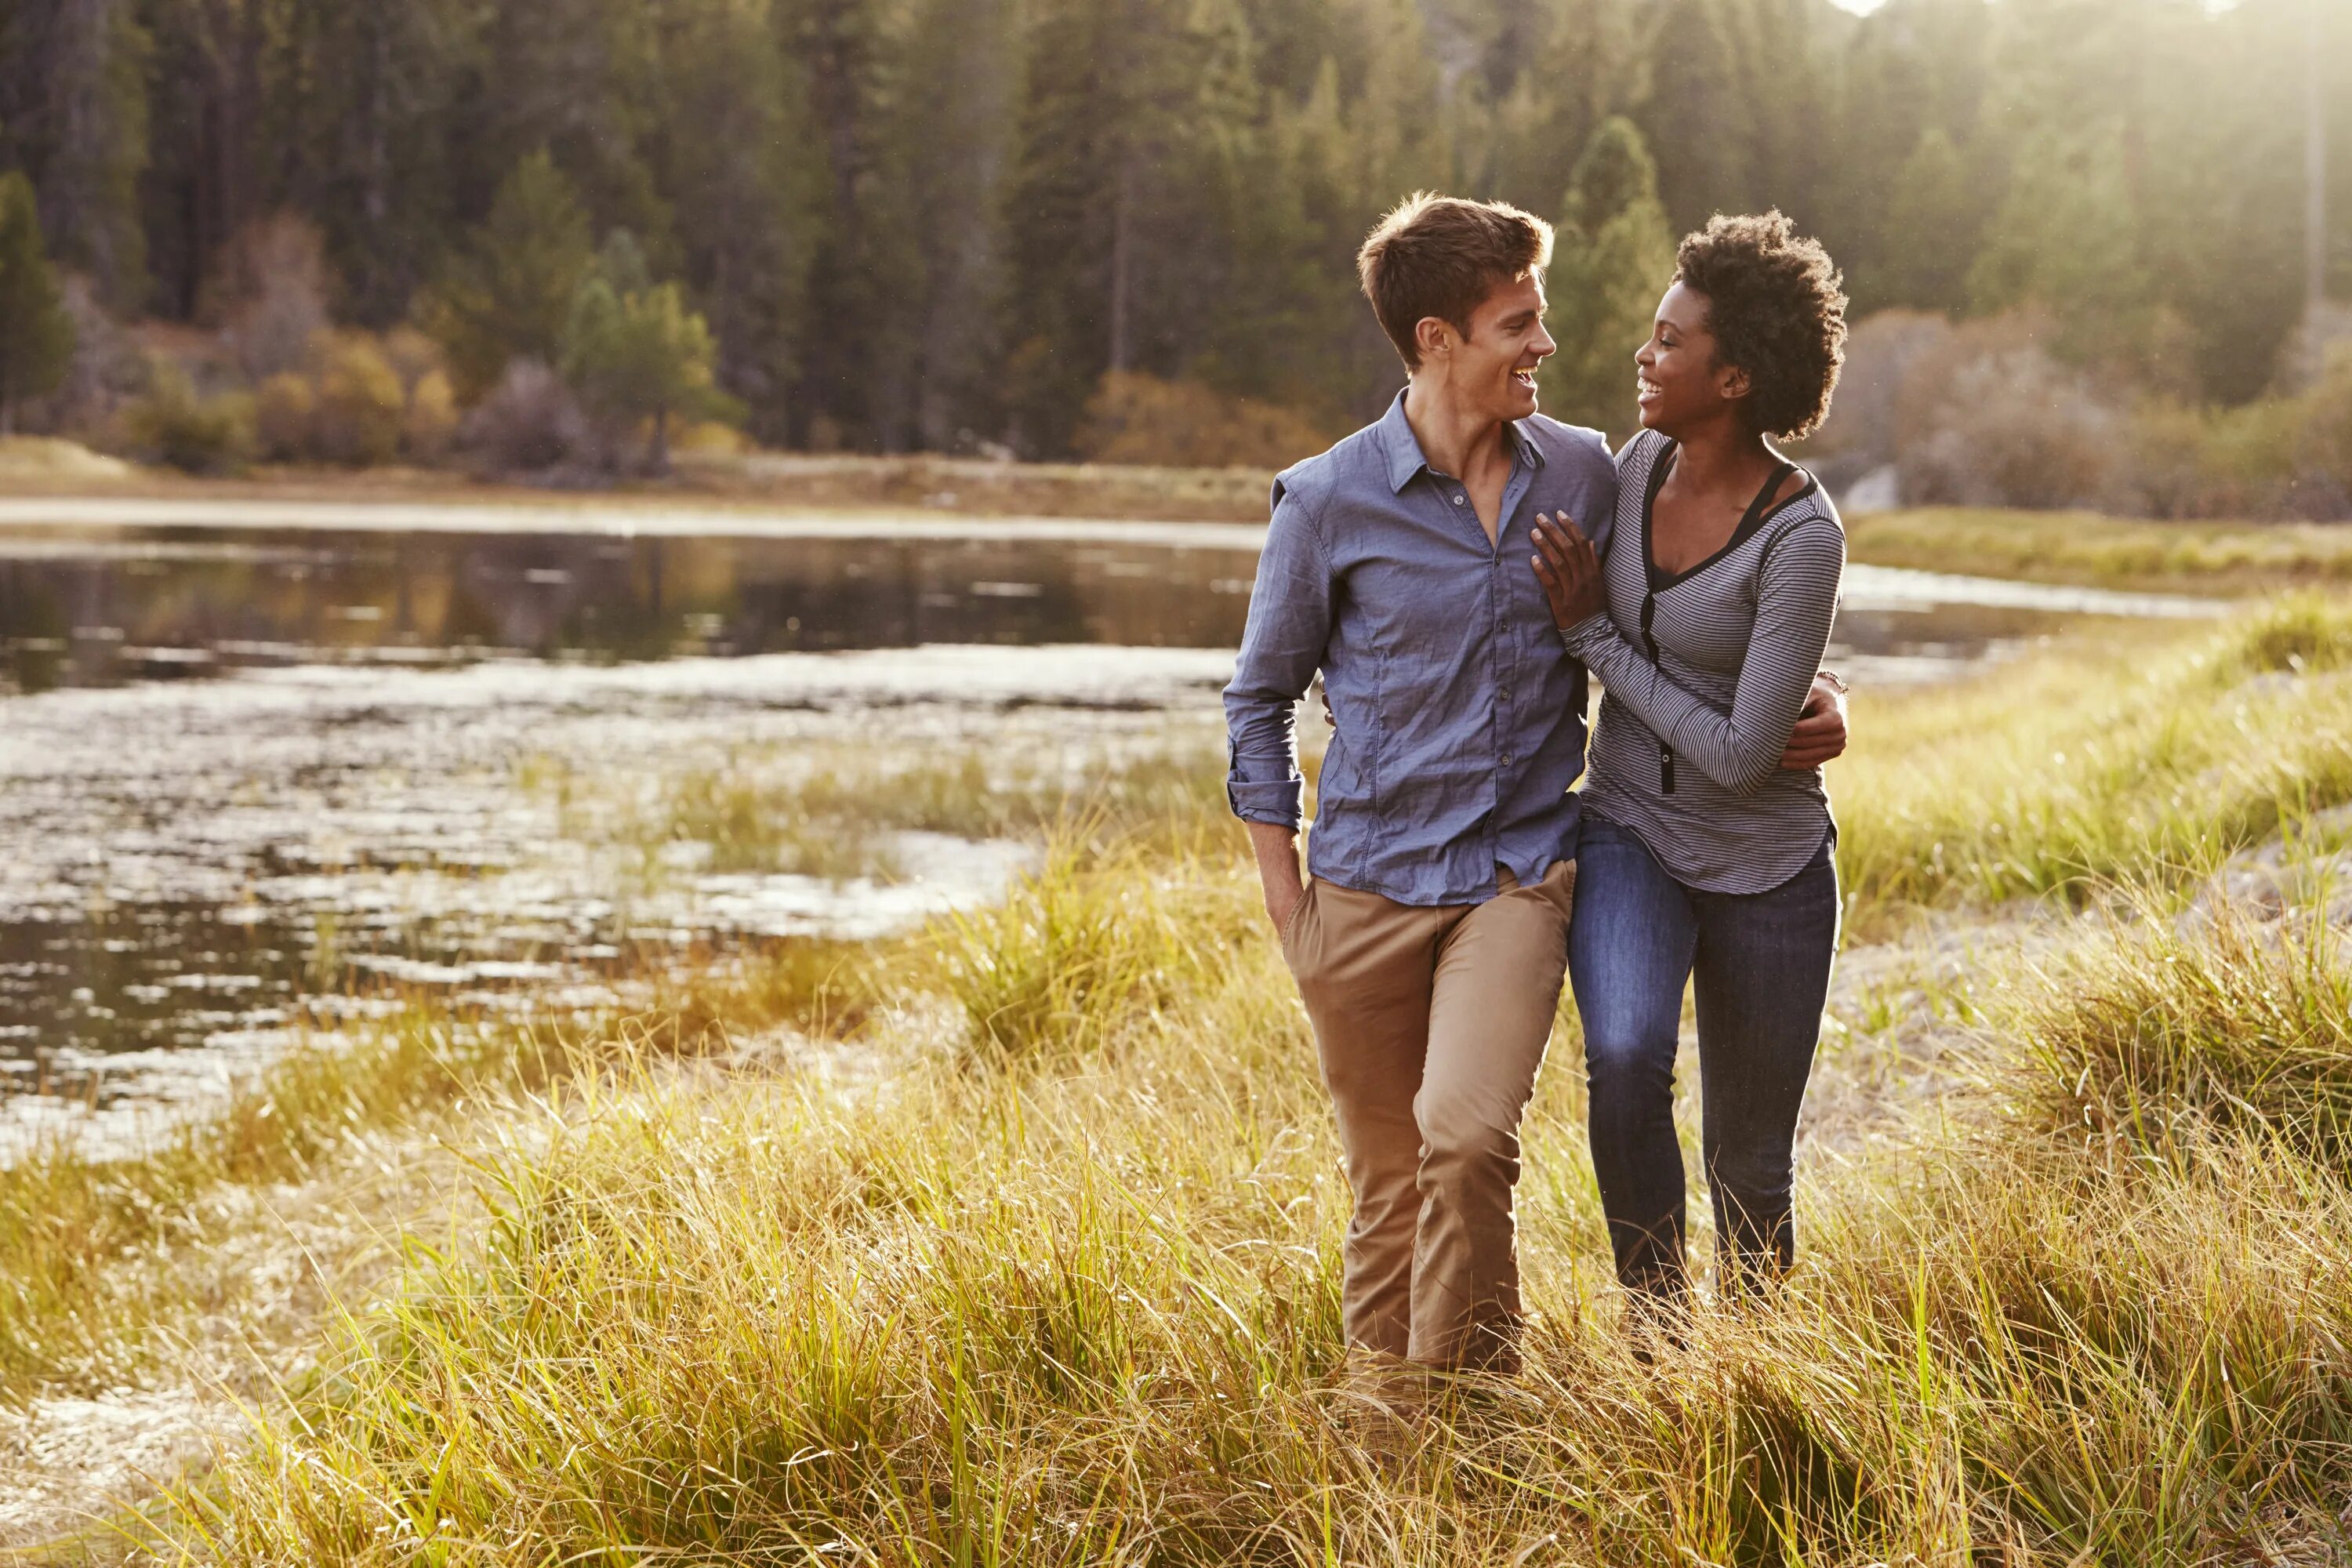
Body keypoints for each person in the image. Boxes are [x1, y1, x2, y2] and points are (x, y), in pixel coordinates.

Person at [1225, 194, 1845, 1388]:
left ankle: (1673, 1379)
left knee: (1471, 1143)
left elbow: (1718, 610)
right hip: (1373, 878)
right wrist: (1282, 892)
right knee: (1395, 1181)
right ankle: (1417, 1431)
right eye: (1520, 321)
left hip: (1525, 871)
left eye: (1543, 315)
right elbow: (1258, 699)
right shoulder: (1337, 500)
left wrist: (1822, 698)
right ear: (1435, 339)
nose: (1555, 346)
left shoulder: (1580, 470)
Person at [1529, 210, 1851, 1318]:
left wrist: (1596, 640)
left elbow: (1732, 757)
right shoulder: (1633, 463)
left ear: (1736, 378)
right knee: (1622, 1064)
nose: (1644, 354)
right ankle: (1658, 1333)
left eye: (1671, 342)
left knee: (1750, 1163)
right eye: (1653, 333)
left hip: (1768, 867)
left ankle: (1752, 1372)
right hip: (1626, 830)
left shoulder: (1804, 535)